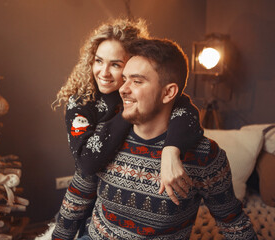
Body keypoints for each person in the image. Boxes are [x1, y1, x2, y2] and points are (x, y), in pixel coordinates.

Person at [52, 38, 257, 240]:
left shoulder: (204, 156)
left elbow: (232, 221)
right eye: (124, 79)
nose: (123, 89)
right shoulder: (104, 139)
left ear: (168, 92)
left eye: (137, 81)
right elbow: (74, 201)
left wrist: (170, 150)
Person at [52, 18, 203, 206]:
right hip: (90, 201)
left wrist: (171, 150)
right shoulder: (82, 102)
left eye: (115, 64)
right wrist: (128, 113)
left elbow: (187, 112)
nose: (104, 72)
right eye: (98, 61)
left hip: (136, 194)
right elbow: (87, 162)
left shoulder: (146, 93)